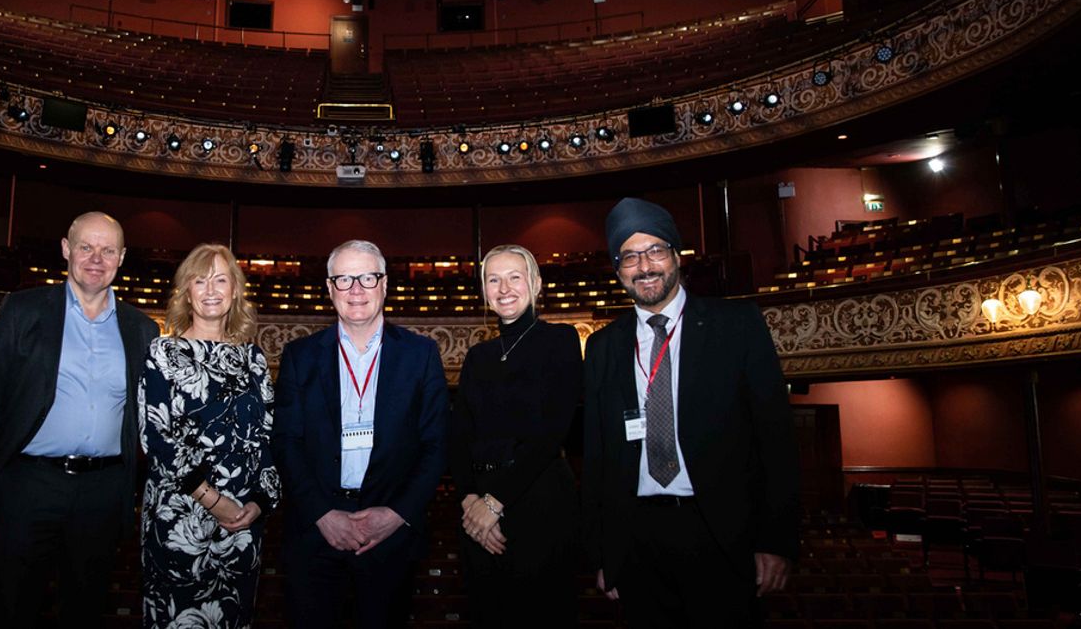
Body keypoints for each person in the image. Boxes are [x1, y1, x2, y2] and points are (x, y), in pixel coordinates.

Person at [580, 197, 800, 629]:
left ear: (677, 256)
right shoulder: (604, 346)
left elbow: (776, 440)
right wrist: (604, 553)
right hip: (637, 538)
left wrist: (776, 540)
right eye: (630, 257)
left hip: (722, 532)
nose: (645, 266)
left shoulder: (735, 325)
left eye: (655, 251)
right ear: (618, 270)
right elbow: (597, 457)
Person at [0, 211, 160, 629]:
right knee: (12, 608)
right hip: (30, 484)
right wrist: (3, 477)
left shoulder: (142, 329)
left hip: (104, 491)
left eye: (108, 250)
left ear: (121, 258)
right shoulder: (23, 310)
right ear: (65, 249)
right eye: (85, 247)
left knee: (86, 609)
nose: (96, 258)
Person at [272, 239, 450, 629]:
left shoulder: (421, 354)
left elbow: (436, 445)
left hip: (391, 537)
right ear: (329, 288)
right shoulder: (299, 355)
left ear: (384, 285)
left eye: (367, 278)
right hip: (316, 534)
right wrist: (322, 514)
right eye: (344, 279)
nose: (356, 289)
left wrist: (397, 514)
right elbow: (286, 442)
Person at [138, 243, 280, 628]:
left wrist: (259, 502)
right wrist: (214, 501)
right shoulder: (163, 353)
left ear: (235, 291)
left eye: (221, 280)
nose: (211, 290)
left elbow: (267, 439)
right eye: (200, 281)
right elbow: (159, 440)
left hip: (243, 525)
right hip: (180, 521)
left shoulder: (253, 359)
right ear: (187, 292)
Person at [449, 244, 582, 628]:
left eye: (514, 277)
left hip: (540, 502)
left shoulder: (561, 340)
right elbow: (459, 437)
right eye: (494, 280)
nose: (504, 288)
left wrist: (494, 503)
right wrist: (470, 501)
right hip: (477, 511)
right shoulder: (478, 356)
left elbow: (552, 432)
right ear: (484, 291)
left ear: (536, 284)